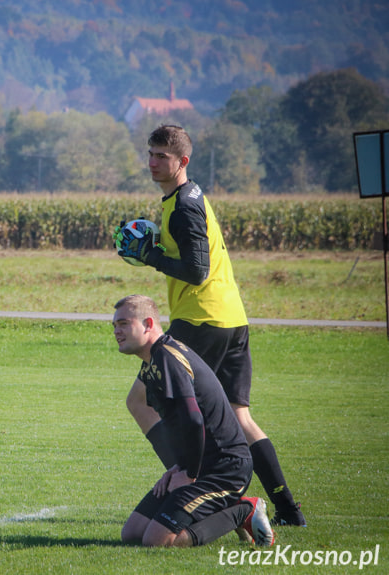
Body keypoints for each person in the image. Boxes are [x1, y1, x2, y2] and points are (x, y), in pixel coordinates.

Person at [115, 124, 306, 527]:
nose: (152, 162)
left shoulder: (183, 206)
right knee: (239, 418)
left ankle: (192, 482)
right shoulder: (189, 195)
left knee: (139, 401)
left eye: (162, 156)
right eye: (150, 154)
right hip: (231, 317)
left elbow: (197, 271)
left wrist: (151, 256)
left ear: (182, 161)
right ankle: (288, 508)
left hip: (202, 319)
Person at [113, 295, 275, 548]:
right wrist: (178, 468)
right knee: (132, 534)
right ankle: (225, 507)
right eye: (114, 326)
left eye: (123, 323)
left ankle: (243, 510)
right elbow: (181, 424)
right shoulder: (154, 359)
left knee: (157, 541)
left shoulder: (168, 358)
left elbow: (193, 419)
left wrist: (189, 473)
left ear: (147, 323)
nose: (117, 331)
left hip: (225, 471)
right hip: (201, 465)